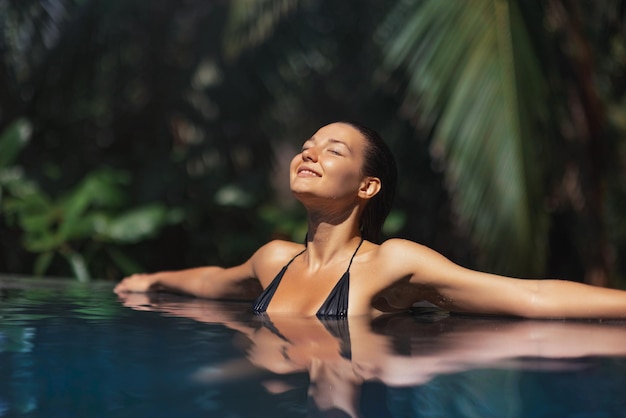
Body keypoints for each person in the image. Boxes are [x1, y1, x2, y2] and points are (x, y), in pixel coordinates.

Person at [114, 121, 626, 318]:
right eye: (307, 146)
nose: (309, 154)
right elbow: (215, 283)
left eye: (332, 151)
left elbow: (528, 295)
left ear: (367, 186)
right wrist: (154, 280)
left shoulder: (390, 264)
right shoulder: (274, 259)